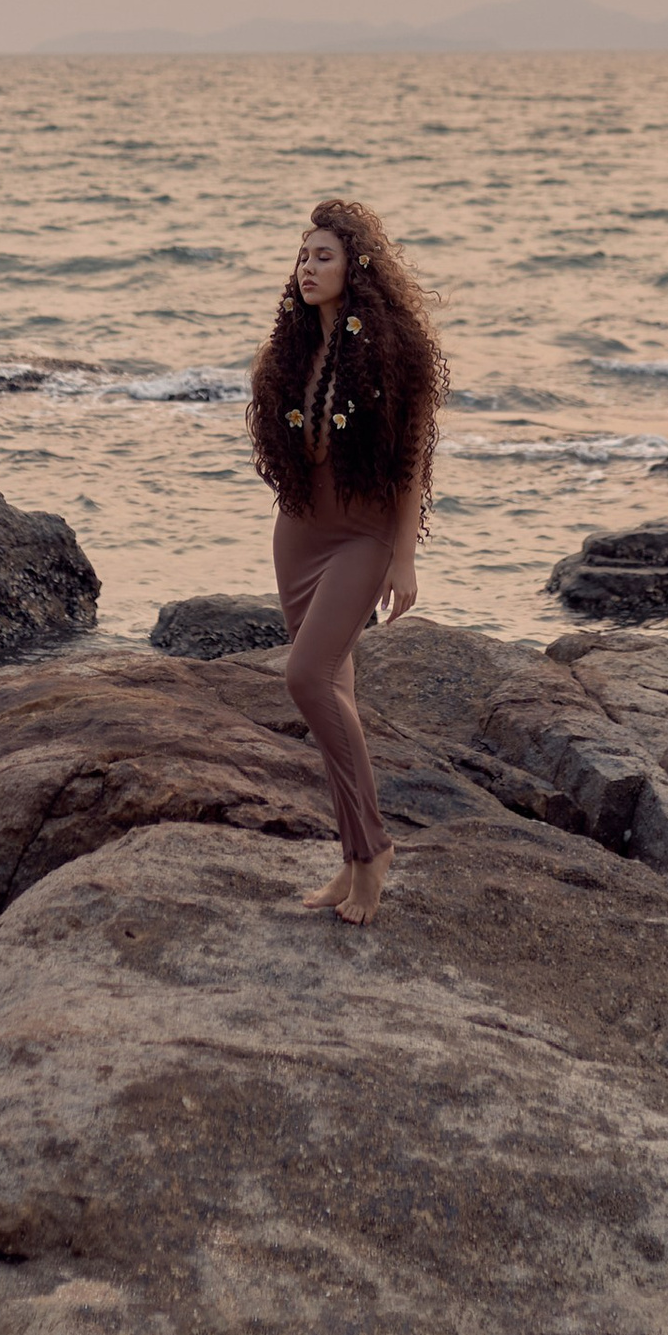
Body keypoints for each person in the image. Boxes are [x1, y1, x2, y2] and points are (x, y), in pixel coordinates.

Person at [248, 198, 446, 926]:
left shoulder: (402, 356)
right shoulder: (291, 354)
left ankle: (376, 850)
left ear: (355, 267)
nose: (307, 267)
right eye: (302, 257)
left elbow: (412, 465)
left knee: (304, 677)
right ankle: (351, 858)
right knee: (337, 700)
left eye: (322, 256)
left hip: (362, 540)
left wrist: (402, 560)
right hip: (298, 536)